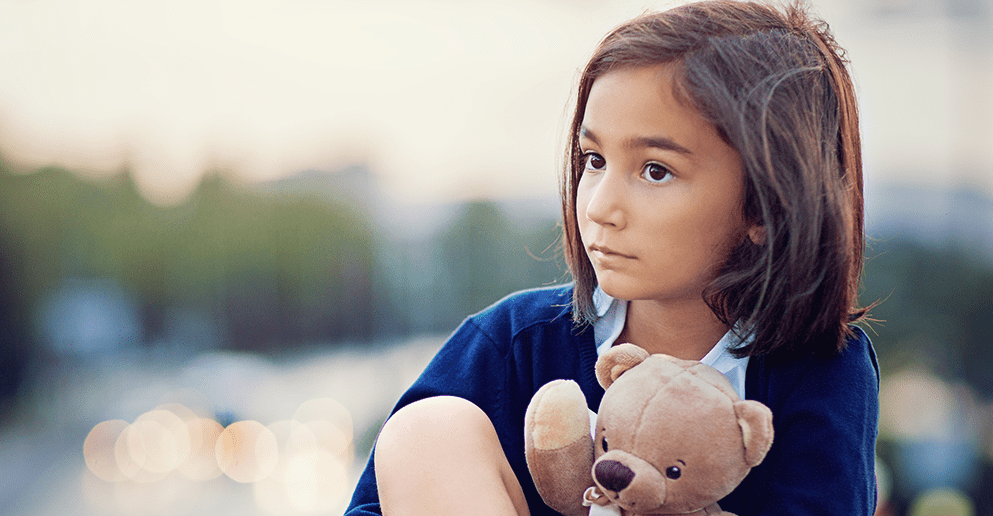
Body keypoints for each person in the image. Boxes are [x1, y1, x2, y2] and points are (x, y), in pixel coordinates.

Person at [345, 1, 880, 515]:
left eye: (655, 170)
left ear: (767, 204)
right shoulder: (514, 343)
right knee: (427, 431)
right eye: (594, 160)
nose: (600, 207)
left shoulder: (821, 368)